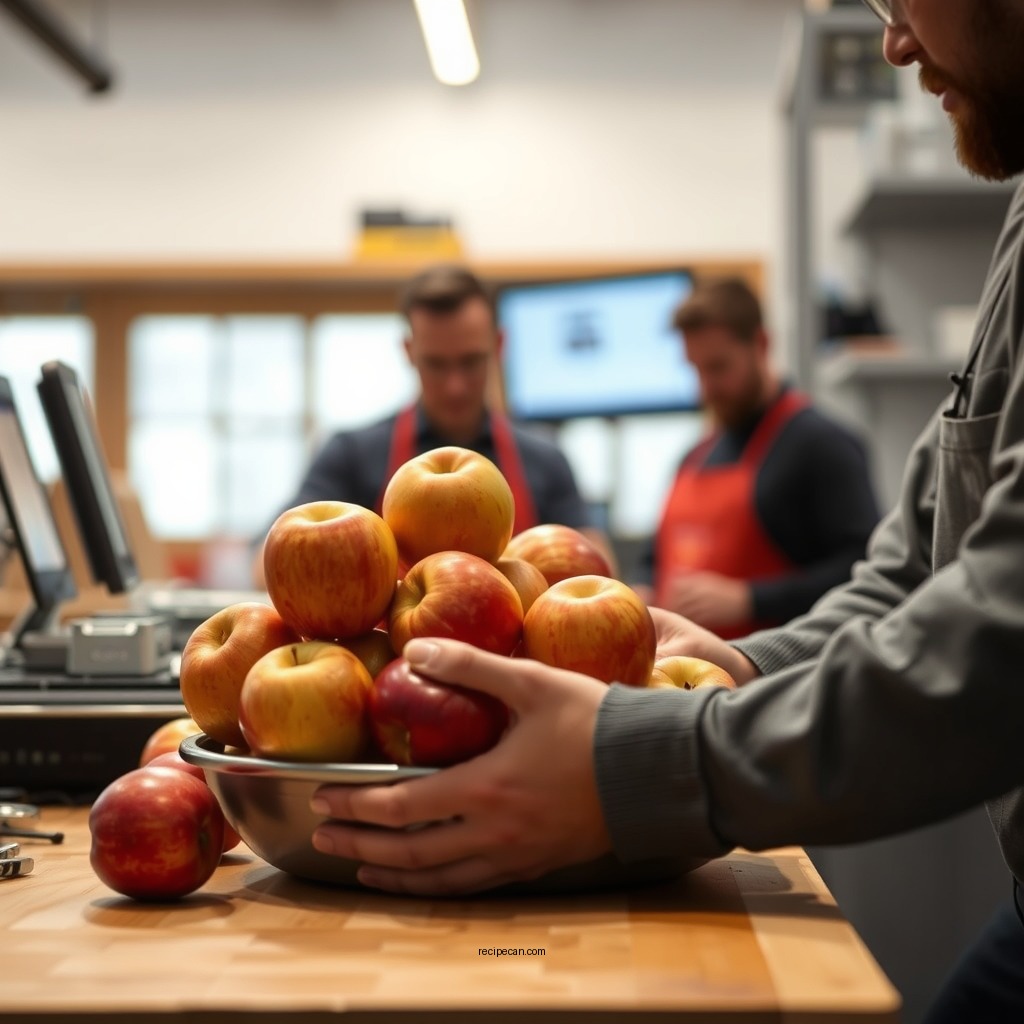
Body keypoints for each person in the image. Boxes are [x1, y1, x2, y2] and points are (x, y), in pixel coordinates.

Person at [310, 2, 1024, 1018]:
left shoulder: (794, 445)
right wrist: (739, 662)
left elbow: (998, 636)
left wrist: (644, 760)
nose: (891, 42)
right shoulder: (1017, 228)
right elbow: (914, 574)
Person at [253, 265, 610, 585]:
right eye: (436, 364)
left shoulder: (545, 457)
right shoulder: (351, 454)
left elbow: (597, 569)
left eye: (471, 361)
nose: (455, 385)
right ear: (409, 352)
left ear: (499, 345)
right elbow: (268, 566)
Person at [640, 277, 879, 638]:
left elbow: (865, 568)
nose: (705, 389)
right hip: (683, 681)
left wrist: (751, 600)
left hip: (777, 679)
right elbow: (653, 559)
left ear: (762, 344)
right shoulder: (694, 456)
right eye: (696, 369)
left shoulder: (822, 444)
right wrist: (640, 593)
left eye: (718, 367)